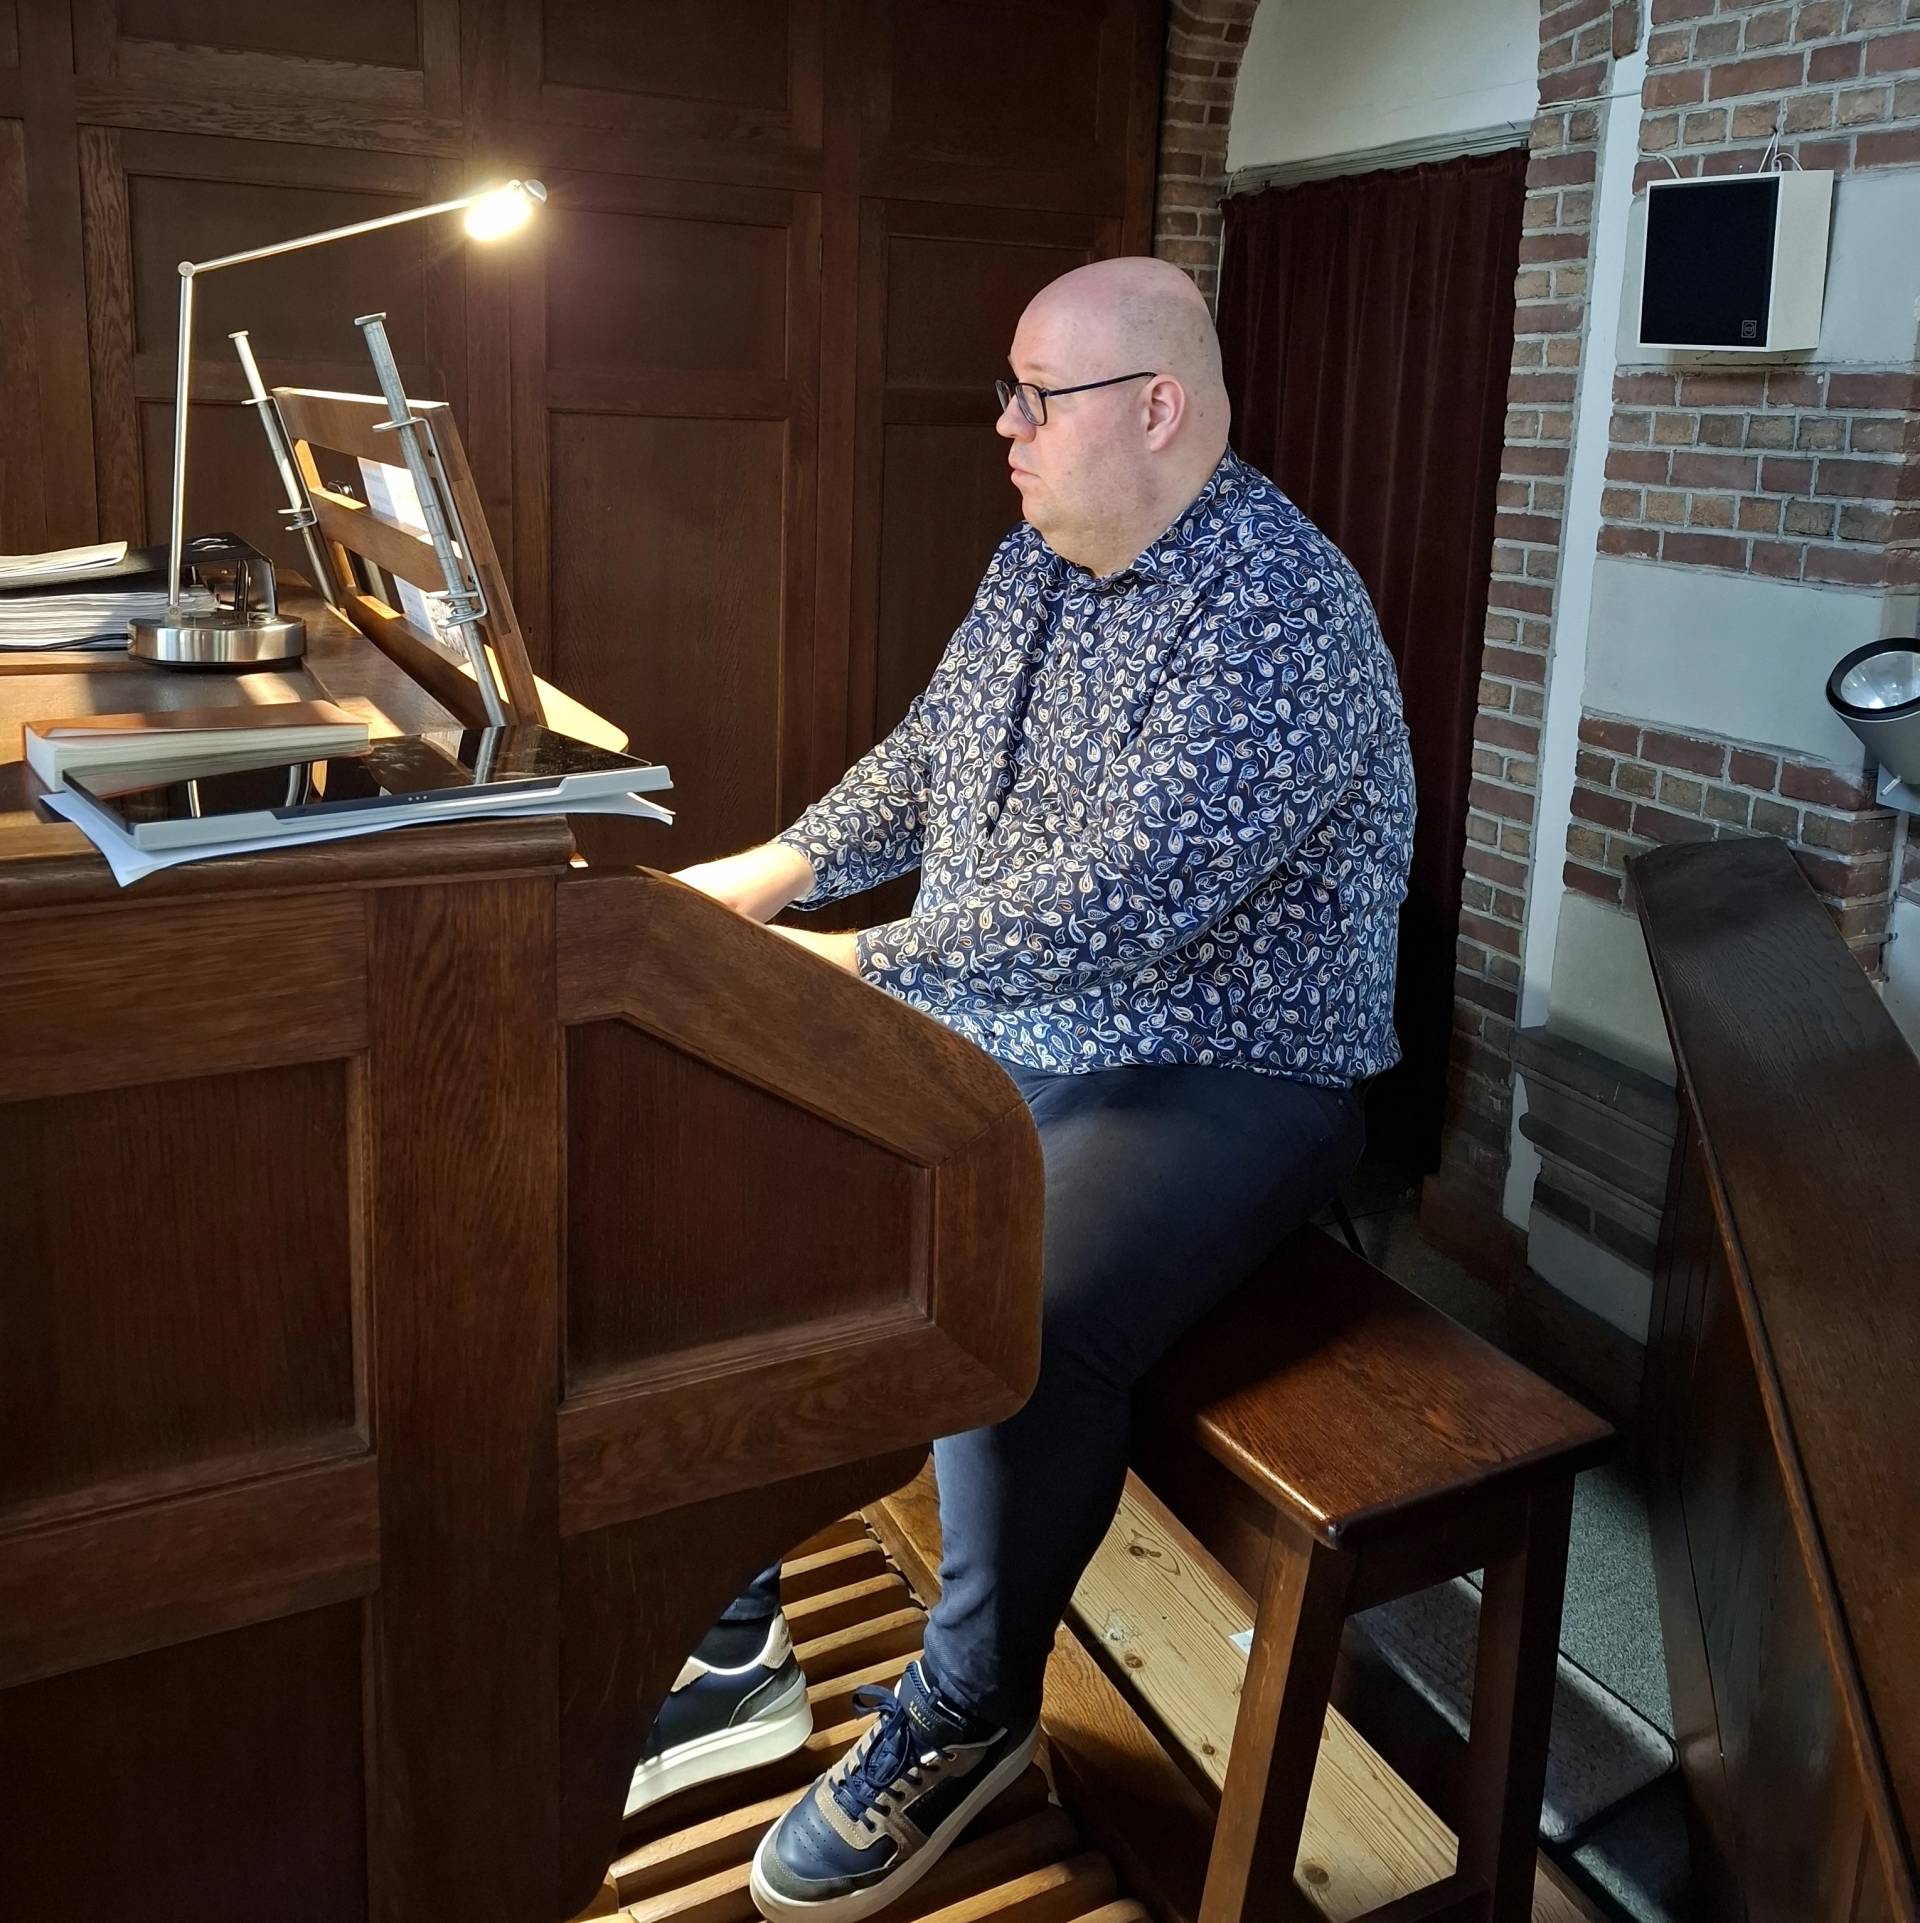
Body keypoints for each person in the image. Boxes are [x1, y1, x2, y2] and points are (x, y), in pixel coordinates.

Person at [647, 255, 1414, 1922]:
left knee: (1023, 1312)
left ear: (1159, 408)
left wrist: (855, 963)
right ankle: (736, 1632)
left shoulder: (1279, 612)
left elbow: (1123, 901)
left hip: (1224, 1064)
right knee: (743, 1174)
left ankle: (970, 1714)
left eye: (1034, 397)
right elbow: (930, 757)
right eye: (1008, 392)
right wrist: (774, 870)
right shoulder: (1041, 560)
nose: (1003, 426)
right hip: (1015, 1020)